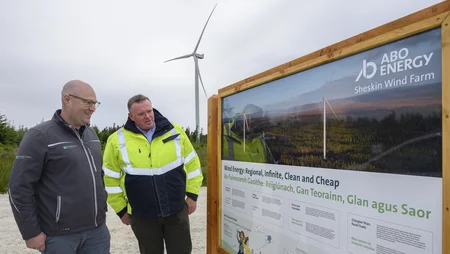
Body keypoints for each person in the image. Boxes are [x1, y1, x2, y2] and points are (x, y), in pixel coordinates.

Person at [8, 80, 110, 254]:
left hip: (97, 232)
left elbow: (97, 176)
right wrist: (31, 232)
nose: (92, 108)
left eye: (95, 103)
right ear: (67, 99)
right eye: (87, 102)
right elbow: (19, 187)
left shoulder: (91, 135)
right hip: (59, 237)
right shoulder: (40, 136)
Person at [102, 94, 203, 254]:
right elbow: (110, 179)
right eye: (141, 114)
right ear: (131, 116)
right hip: (143, 216)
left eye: (149, 111)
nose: (148, 116)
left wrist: (192, 195)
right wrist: (121, 210)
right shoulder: (116, 141)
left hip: (176, 210)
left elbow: (193, 164)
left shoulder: (174, 131)